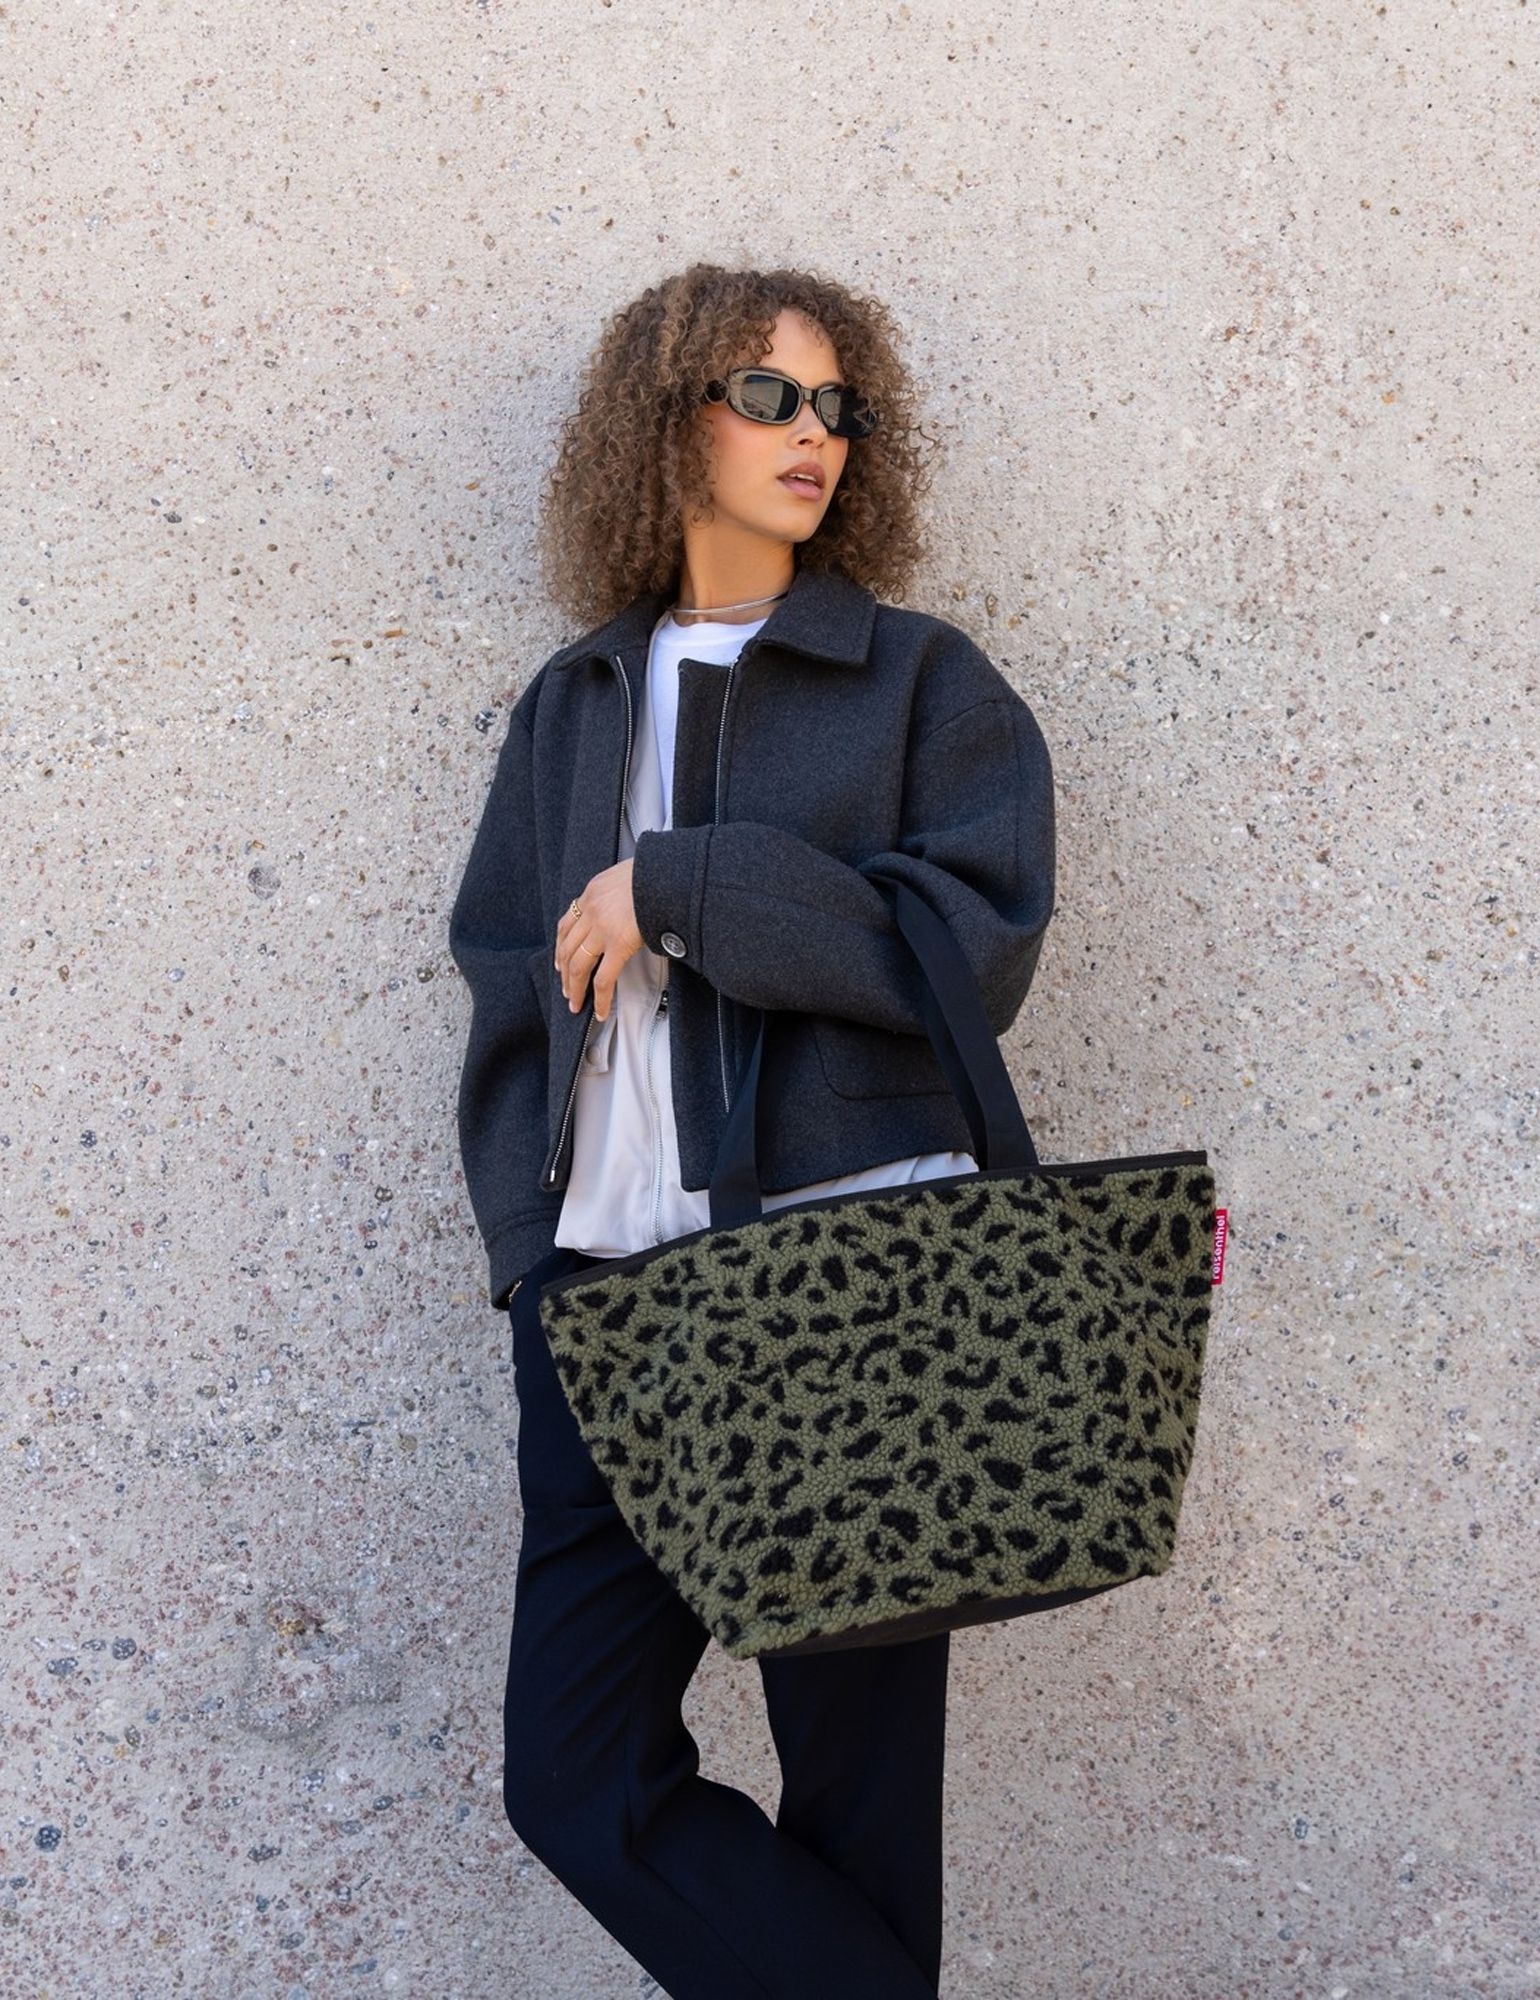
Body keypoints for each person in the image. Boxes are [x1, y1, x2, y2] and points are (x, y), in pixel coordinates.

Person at [445, 262, 1058, 1997]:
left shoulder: (917, 684)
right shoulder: (574, 701)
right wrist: (526, 1254)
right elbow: (502, 981)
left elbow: (970, 948)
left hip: (839, 1281)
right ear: (669, 422)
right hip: (603, 1309)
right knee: (574, 1780)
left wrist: (688, 885)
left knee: (855, 1799)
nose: (815, 436)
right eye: (767, 395)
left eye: (839, 406)